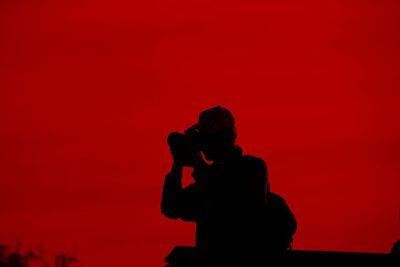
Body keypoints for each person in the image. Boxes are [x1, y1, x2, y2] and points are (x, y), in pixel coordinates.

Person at [161, 106, 269, 256]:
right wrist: (178, 164)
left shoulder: (252, 167)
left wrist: (197, 163)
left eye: (207, 139)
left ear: (226, 137)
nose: (203, 145)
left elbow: (231, 201)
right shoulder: (206, 178)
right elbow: (171, 208)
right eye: (201, 140)